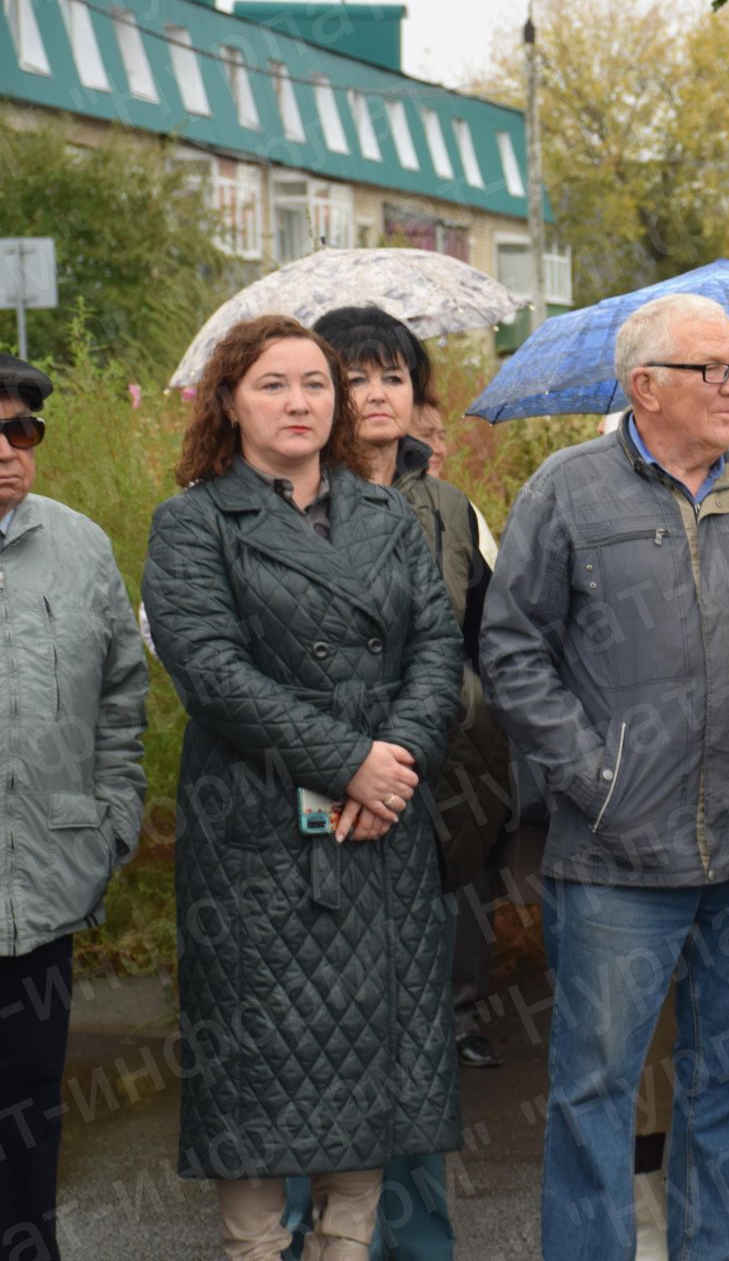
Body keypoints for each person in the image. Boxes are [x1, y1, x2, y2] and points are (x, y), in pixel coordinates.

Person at [480, 293, 729, 1261]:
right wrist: (595, 777)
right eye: (711, 369)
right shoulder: (568, 489)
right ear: (644, 386)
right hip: (612, 856)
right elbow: (513, 650)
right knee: (595, 1086)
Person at [144, 315, 464, 1261]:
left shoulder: (386, 515)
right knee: (258, 1069)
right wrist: (346, 761)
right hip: (255, 844)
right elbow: (211, 671)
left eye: (314, 384)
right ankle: (253, 1248)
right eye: (273, 384)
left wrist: (393, 761)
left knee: (369, 1060)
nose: (299, 402)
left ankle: (345, 1247)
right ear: (231, 402)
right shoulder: (195, 521)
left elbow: (437, 648)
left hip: (379, 830)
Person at [312, 306, 513, 1073]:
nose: (375, 393)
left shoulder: (453, 507)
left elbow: (492, 630)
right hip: (345, 753)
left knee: (456, 897)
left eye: (392, 376)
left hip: (456, 751)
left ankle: (455, 1020)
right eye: (354, 376)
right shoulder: (296, 502)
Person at [0, 356, 148, 1261]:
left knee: (27, 1100)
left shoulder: (81, 545)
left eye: (24, 431)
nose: (10, 450)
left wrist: (113, 819)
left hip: (45, 877)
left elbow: (121, 703)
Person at [409, 398, 499, 566]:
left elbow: (494, 582)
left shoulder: (461, 508)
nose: (439, 448)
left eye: (441, 437)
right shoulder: (376, 507)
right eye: (426, 435)